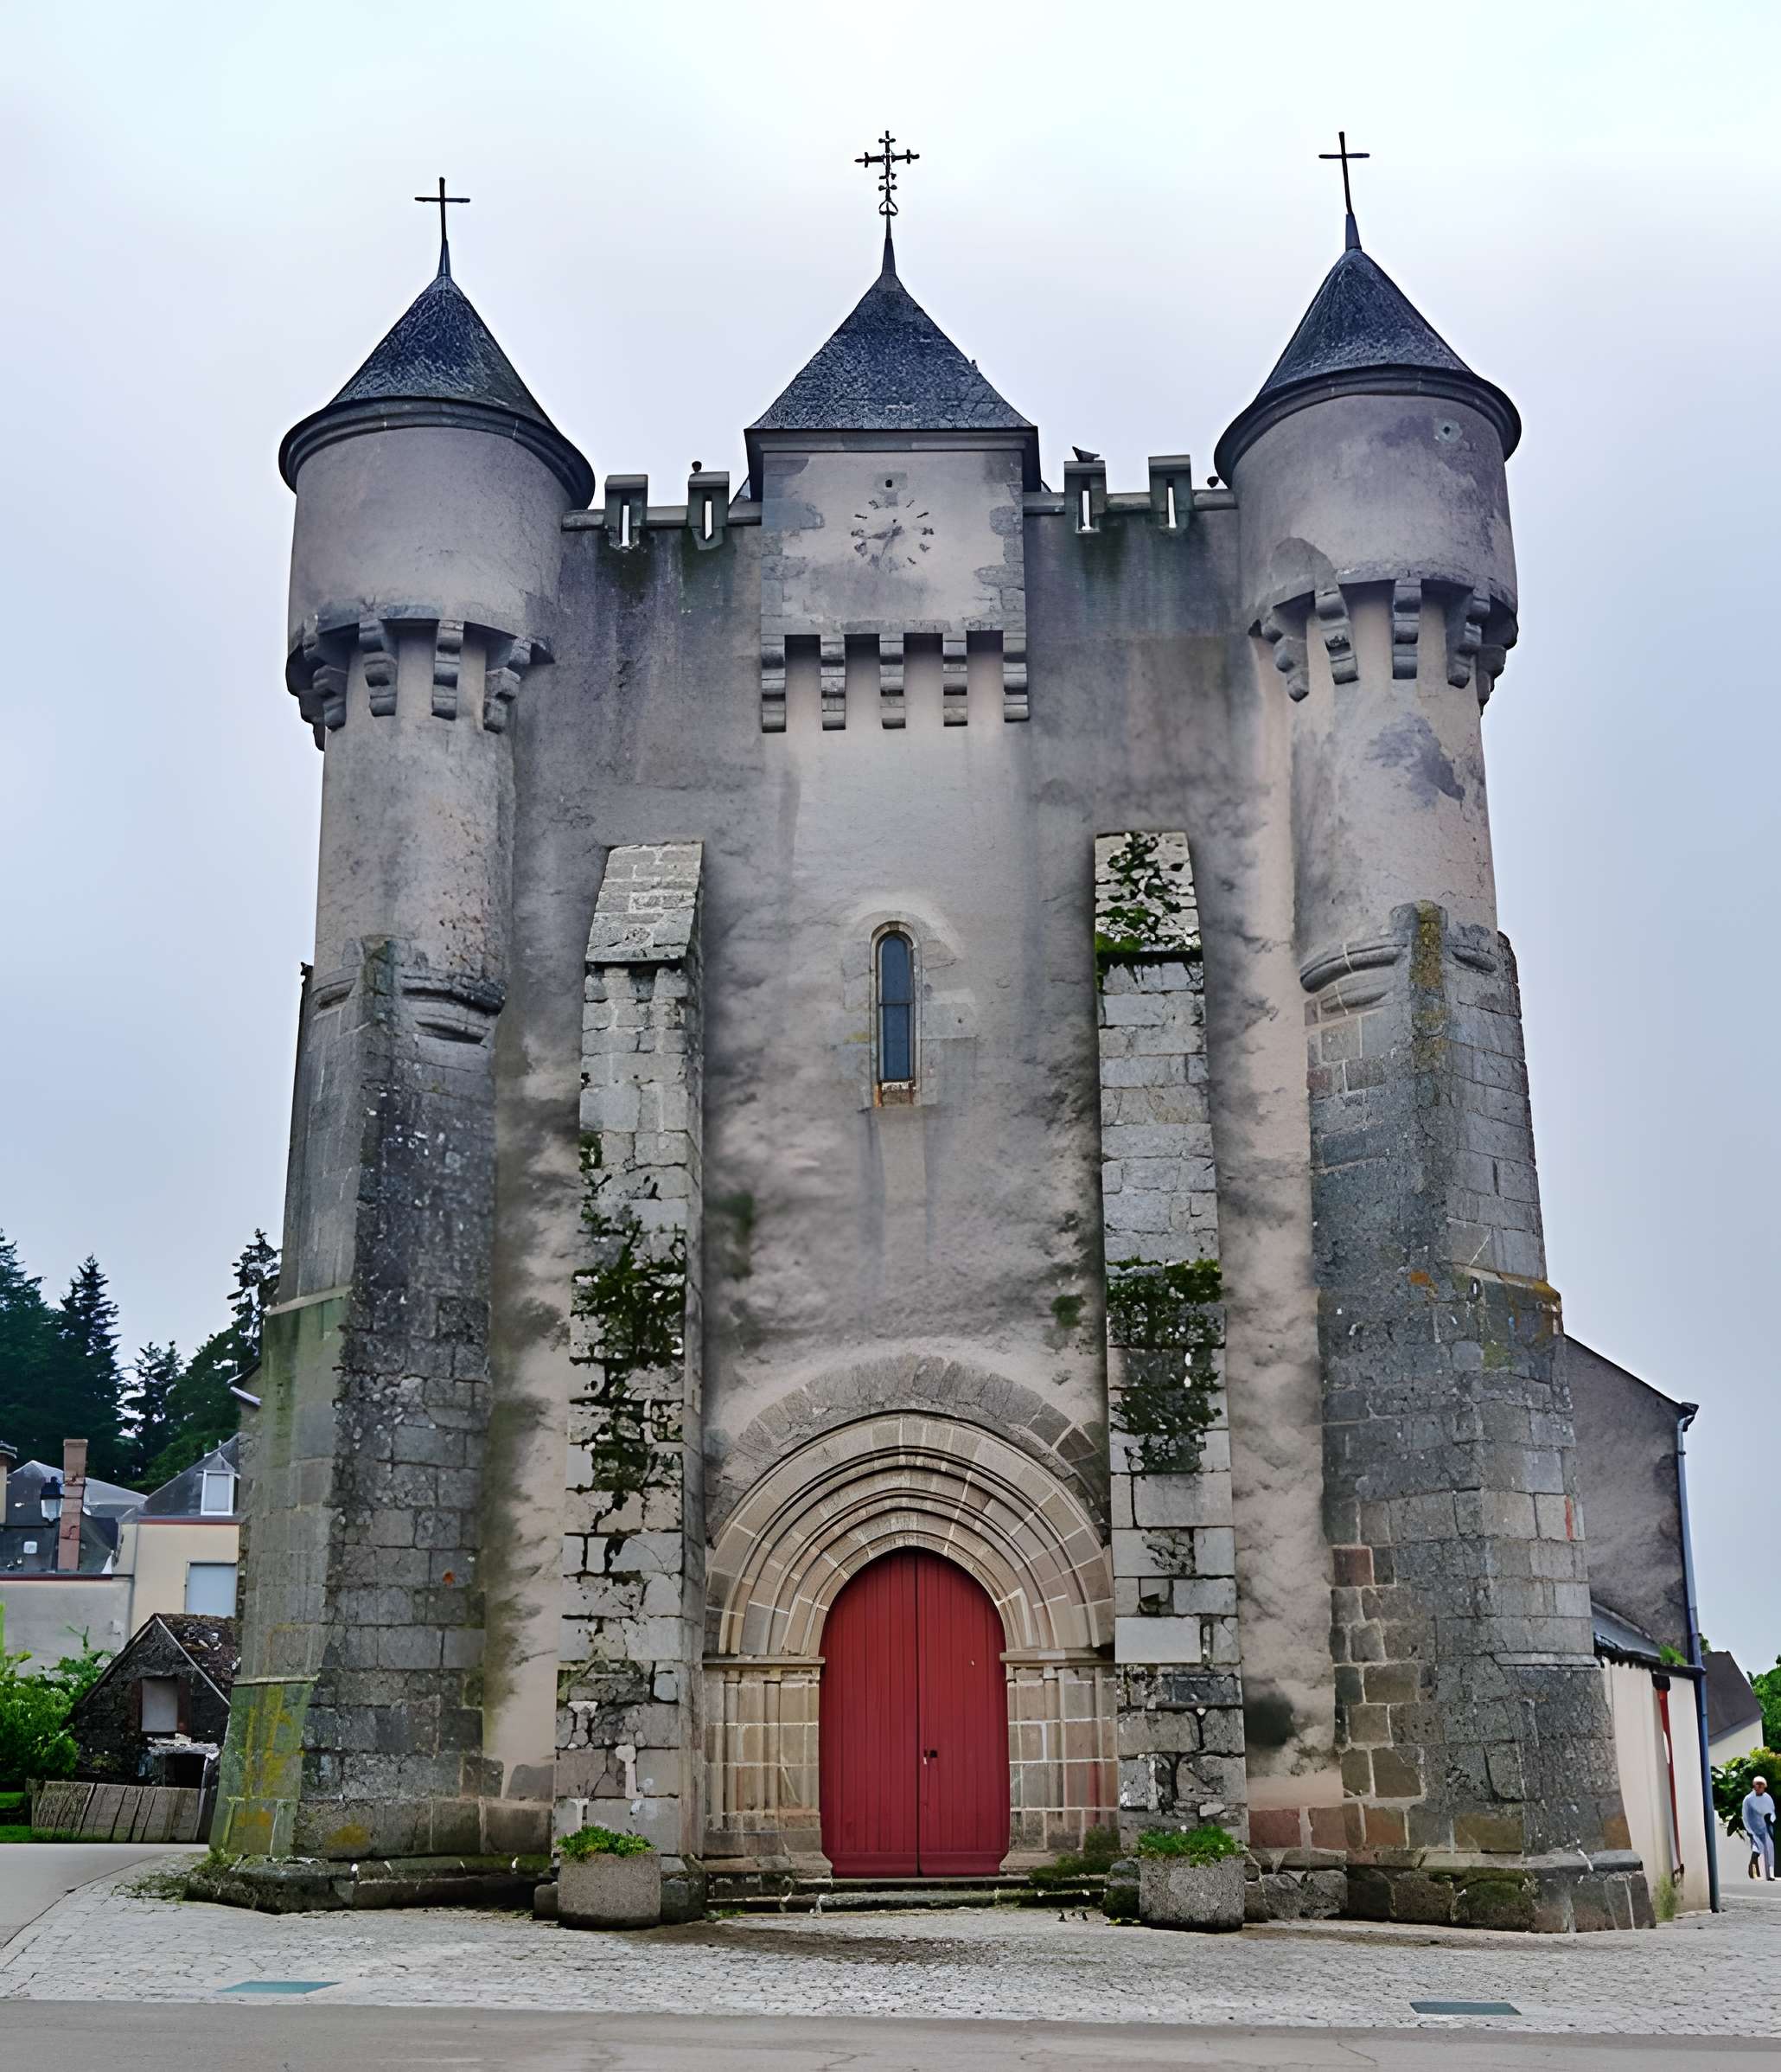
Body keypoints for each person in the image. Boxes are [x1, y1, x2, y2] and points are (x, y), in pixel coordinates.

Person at [1742, 1776, 1778, 1881]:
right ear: (1754, 1786)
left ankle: (1770, 1874)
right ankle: (1753, 1871)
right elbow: (1745, 1816)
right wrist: (1749, 1830)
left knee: (1769, 1850)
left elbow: (1772, 1811)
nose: (1760, 1787)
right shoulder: (1748, 1799)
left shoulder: (1767, 1797)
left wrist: (1771, 1819)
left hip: (1765, 1828)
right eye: (1758, 1784)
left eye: (1762, 1785)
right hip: (1754, 1829)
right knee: (1757, 1850)